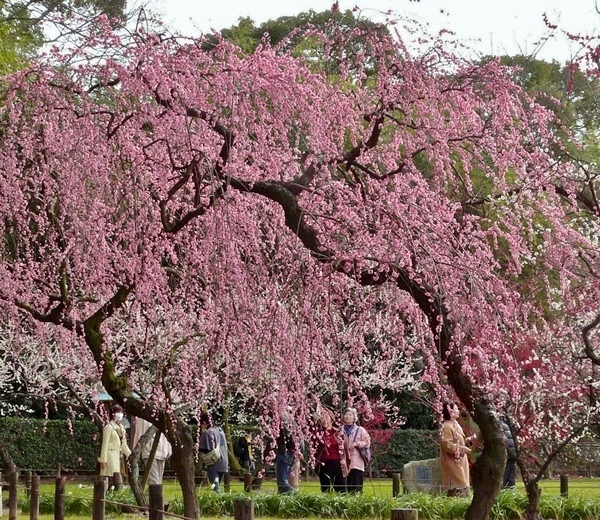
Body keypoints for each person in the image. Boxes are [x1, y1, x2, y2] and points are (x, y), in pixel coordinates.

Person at [440, 401, 476, 497]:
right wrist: (462, 449)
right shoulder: (447, 426)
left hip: (459, 463)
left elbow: (458, 440)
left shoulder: (455, 424)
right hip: (453, 464)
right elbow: (447, 445)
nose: (458, 411)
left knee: (460, 488)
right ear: (450, 411)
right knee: (458, 490)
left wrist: (468, 439)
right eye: (456, 409)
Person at [98, 404, 131, 487]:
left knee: (119, 476)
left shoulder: (121, 428)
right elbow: (104, 444)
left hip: (119, 456)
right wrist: (103, 460)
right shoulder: (108, 428)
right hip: (110, 457)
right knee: (111, 477)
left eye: (121, 412)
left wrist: (130, 455)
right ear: (113, 414)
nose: (120, 414)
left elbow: (124, 444)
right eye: (118, 412)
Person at [132, 417, 172, 485]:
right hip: (149, 450)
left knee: (159, 480)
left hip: (163, 450)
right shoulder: (143, 418)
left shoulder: (163, 416)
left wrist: (169, 448)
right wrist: (135, 450)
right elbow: (139, 434)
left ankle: (153, 494)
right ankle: (155, 495)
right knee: (154, 480)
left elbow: (167, 434)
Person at [339, 407, 370, 493]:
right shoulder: (339, 430)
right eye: (346, 414)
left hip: (357, 462)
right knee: (345, 487)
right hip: (343, 462)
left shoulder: (360, 430)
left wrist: (357, 444)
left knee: (357, 486)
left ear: (354, 418)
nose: (347, 417)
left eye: (350, 415)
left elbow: (367, 442)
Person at [199, 412, 229, 492]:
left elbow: (202, 448)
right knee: (216, 485)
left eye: (201, 424)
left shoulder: (208, 433)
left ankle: (218, 503)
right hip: (224, 462)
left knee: (215, 489)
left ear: (205, 423)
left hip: (214, 463)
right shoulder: (220, 431)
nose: (201, 427)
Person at [315, 411, 344, 492]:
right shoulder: (318, 433)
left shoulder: (338, 432)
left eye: (327, 418)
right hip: (324, 462)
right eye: (322, 418)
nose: (325, 420)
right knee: (325, 487)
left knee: (340, 486)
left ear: (331, 419)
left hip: (337, 462)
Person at [502, 420, 517, 488]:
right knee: (511, 474)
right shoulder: (507, 424)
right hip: (513, 452)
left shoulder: (497, 426)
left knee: (504, 475)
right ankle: (511, 491)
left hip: (505, 452)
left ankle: (504, 491)